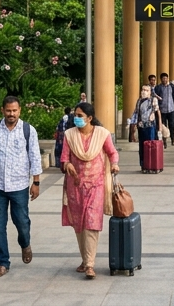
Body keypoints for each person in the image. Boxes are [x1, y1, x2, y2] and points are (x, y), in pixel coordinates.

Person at [0, 95, 43, 278]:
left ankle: (25, 243)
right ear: (2, 110)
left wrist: (35, 183)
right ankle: (2, 263)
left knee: (21, 223)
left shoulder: (28, 130)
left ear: (19, 110)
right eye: (8, 110)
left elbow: (35, 157)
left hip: (19, 185)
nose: (11, 114)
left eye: (14, 110)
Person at [60, 101, 119, 280]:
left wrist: (115, 164)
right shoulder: (69, 135)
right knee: (79, 224)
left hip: (96, 185)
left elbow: (112, 153)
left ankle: (90, 265)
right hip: (75, 186)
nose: (76, 119)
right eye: (75, 116)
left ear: (90, 118)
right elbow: (63, 159)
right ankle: (85, 259)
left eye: (80, 116)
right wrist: (68, 165)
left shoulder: (102, 134)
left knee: (92, 223)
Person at [128, 84, 163, 172]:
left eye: (146, 90)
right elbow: (135, 114)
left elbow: (157, 113)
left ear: (150, 92)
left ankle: (152, 165)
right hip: (141, 127)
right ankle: (143, 165)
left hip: (150, 127)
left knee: (151, 146)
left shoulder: (153, 100)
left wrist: (160, 126)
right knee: (142, 147)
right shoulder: (139, 101)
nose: (144, 92)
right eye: (143, 90)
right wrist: (132, 128)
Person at [153, 72, 174, 145]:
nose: (165, 80)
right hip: (162, 110)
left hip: (171, 109)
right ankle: (164, 141)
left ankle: (172, 138)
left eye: (166, 78)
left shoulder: (172, 86)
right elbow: (155, 97)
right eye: (163, 78)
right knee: (163, 126)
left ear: (168, 79)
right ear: (161, 79)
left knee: (172, 125)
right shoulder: (158, 88)